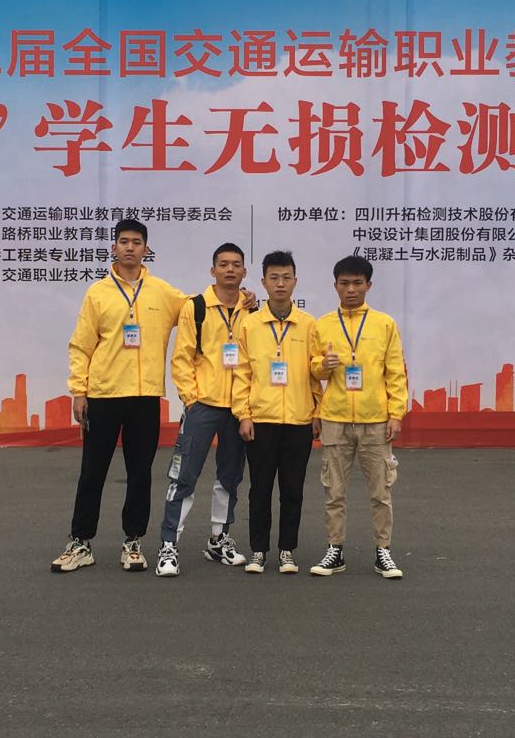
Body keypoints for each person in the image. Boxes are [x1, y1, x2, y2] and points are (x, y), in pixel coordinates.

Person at [53, 218, 190, 574]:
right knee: (92, 471)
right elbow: (81, 345)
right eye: (124, 241)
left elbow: (197, 308)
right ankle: (80, 542)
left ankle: (133, 542)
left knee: (140, 473)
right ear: (113, 247)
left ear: (146, 249)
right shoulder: (97, 293)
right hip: (103, 394)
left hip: (145, 397)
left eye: (136, 242)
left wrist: (239, 299)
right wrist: (79, 391)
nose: (130, 247)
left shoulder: (162, 292)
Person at [307, 255, 408, 579]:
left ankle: (383, 551)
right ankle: (335, 550)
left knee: (381, 492)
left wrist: (396, 413)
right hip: (335, 419)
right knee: (334, 491)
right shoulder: (322, 324)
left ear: (369, 285)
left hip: (375, 419)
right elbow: (312, 369)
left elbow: (395, 371)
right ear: (335, 285)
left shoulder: (384, 324)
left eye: (357, 283)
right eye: (344, 283)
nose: (350, 290)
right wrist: (323, 366)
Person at [155, 243, 251, 577]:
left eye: (236, 264)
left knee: (230, 478)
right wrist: (191, 400)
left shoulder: (252, 310)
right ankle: (169, 545)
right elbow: (182, 358)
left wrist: (245, 406)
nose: (230, 269)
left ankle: (218, 540)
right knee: (183, 476)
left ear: (244, 272)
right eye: (223, 264)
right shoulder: (195, 307)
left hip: (238, 408)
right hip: (202, 407)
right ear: (213, 270)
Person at [232, 250, 321, 575]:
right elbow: (242, 372)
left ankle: (287, 550)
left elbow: (315, 373)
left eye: (286, 278)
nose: (280, 284)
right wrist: (244, 414)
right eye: (274, 278)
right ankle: (258, 550)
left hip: (298, 420)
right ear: (264, 282)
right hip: (262, 420)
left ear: (295, 281)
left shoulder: (309, 324)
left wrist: (316, 412)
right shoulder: (250, 324)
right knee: (260, 488)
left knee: (293, 489)